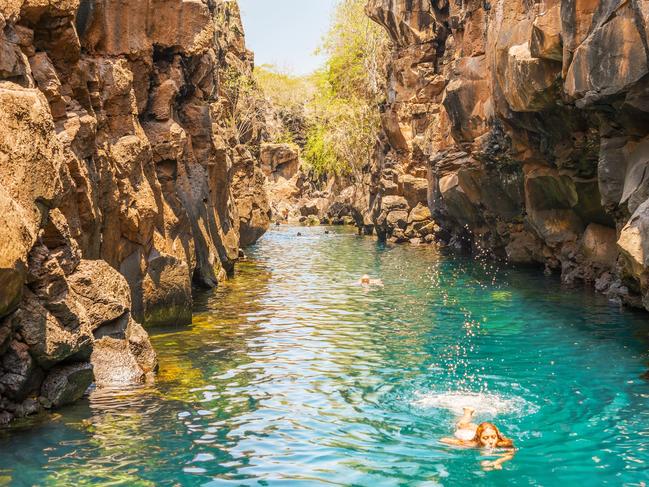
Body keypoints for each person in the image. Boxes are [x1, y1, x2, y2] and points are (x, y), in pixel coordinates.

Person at [440, 407, 516, 470]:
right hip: (466, 433)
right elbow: (443, 440)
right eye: (485, 438)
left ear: (497, 436)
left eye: (493, 437)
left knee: (479, 429)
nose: (490, 441)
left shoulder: (500, 442)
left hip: (481, 431)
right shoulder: (472, 444)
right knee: (462, 424)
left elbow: (511, 452)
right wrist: (447, 449)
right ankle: (468, 411)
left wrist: (498, 462)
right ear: (479, 438)